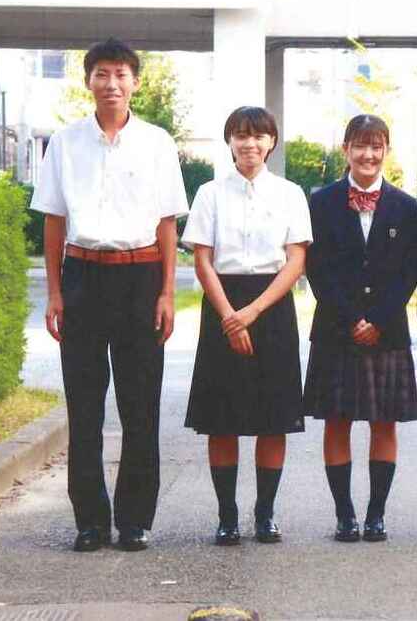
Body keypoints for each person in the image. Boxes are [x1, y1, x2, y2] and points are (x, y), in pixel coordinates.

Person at [31, 37, 188, 553]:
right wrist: (55, 292)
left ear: (135, 82)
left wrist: (166, 292)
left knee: (140, 406)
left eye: (121, 74)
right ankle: (90, 521)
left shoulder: (158, 143)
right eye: (102, 73)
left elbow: (167, 223)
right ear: (88, 81)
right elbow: (54, 221)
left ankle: (135, 519)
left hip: (140, 278)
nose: (112, 83)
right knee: (85, 406)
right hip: (82, 277)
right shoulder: (66, 142)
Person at [180, 106, 311, 545]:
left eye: (258, 136)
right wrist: (229, 318)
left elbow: (296, 260)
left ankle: (265, 513)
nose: (249, 143)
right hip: (222, 303)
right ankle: (227, 515)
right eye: (240, 135)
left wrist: (252, 313)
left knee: (274, 417)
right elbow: (201, 259)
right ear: (229, 141)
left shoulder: (290, 193)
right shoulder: (210, 193)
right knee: (223, 418)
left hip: (271, 307)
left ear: (271, 141)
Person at [303, 114, 417, 543]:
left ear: (386, 150)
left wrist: (381, 319)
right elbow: (316, 269)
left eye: (376, 146)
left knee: (383, 423)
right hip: (336, 330)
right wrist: (352, 319)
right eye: (360, 145)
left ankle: (376, 514)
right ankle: (344, 514)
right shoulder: (320, 202)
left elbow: (410, 270)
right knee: (336, 422)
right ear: (346, 149)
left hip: (387, 332)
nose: (368, 155)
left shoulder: (406, 206)